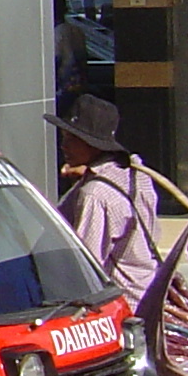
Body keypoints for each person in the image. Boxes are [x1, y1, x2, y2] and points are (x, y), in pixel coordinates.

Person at [48, 94, 160, 306]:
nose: (64, 146)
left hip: (124, 304)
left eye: (72, 139)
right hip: (148, 289)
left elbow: (86, 266)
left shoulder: (94, 194)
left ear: (94, 145)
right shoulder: (136, 172)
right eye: (64, 137)